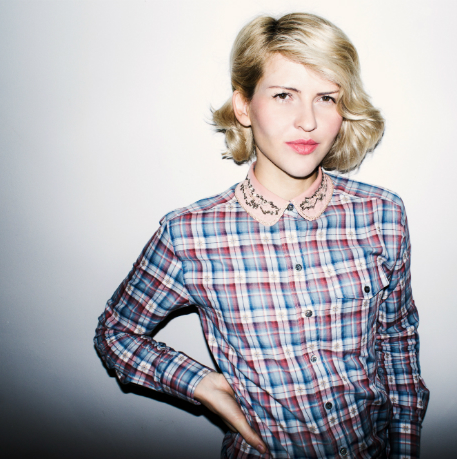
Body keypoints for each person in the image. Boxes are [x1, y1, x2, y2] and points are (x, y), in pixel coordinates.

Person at [94, 12, 429, 459]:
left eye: (326, 98)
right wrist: (199, 383)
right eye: (284, 95)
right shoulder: (190, 236)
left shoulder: (382, 214)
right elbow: (115, 333)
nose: (307, 121)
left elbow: (398, 344)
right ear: (243, 106)